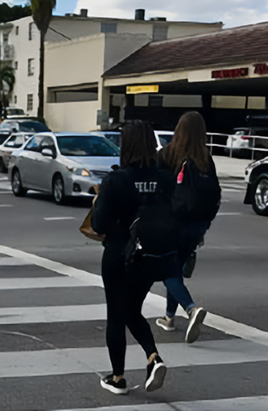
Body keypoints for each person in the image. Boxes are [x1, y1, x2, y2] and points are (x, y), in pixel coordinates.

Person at [91, 120, 175, 395]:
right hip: (150, 257)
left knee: (116, 315)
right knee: (131, 309)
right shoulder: (165, 177)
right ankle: (153, 357)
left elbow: (100, 224)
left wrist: (99, 200)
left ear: (126, 145)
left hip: (118, 254)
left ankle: (118, 377)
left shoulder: (116, 179)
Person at [155, 111, 220, 343]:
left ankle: (191, 309)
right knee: (177, 268)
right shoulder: (205, 159)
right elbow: (215, 195)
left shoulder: (167, 154)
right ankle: (169, 317)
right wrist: (204, 226)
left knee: (167, 270)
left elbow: (158, 189)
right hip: (197, 225)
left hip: (172, 223)